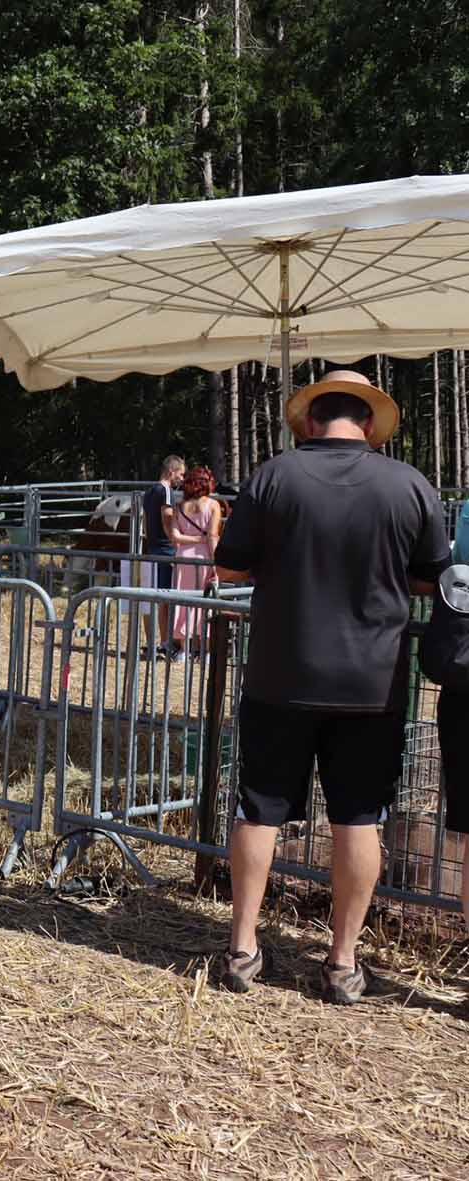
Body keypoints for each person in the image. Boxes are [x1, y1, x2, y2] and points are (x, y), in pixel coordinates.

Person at [214, 370, 447, 1004]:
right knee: (358, 817)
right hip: (373, 682)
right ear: (368, 425)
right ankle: (342, 964)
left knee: (259, 808)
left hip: (280, 674)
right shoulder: (410, 484)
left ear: (311, 421)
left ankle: (241, 949)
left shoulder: (273, 477)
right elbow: (433, 579)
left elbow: (229, 563)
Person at [167, 465, 223, 659]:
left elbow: (175, 536)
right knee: (206, 601)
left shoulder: (180, 506)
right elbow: (213, 536)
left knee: (183, 600)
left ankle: (183, 649)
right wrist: (216, 564)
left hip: (182, 557)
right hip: (204, 557)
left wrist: (192, 539)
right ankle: (205, 650)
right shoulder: (213, 505)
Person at [145, 453, 186, 651]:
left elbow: (146, 523)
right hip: (166, 550)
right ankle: (167, 641)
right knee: (167, 599)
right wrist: (176, 541)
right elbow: (167, 519)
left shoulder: (150, 491)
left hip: (152, 547)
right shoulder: (166, 491)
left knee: (158, 599)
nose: (182, 479)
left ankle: (162, 641)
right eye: (181, 474)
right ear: (172, 472)